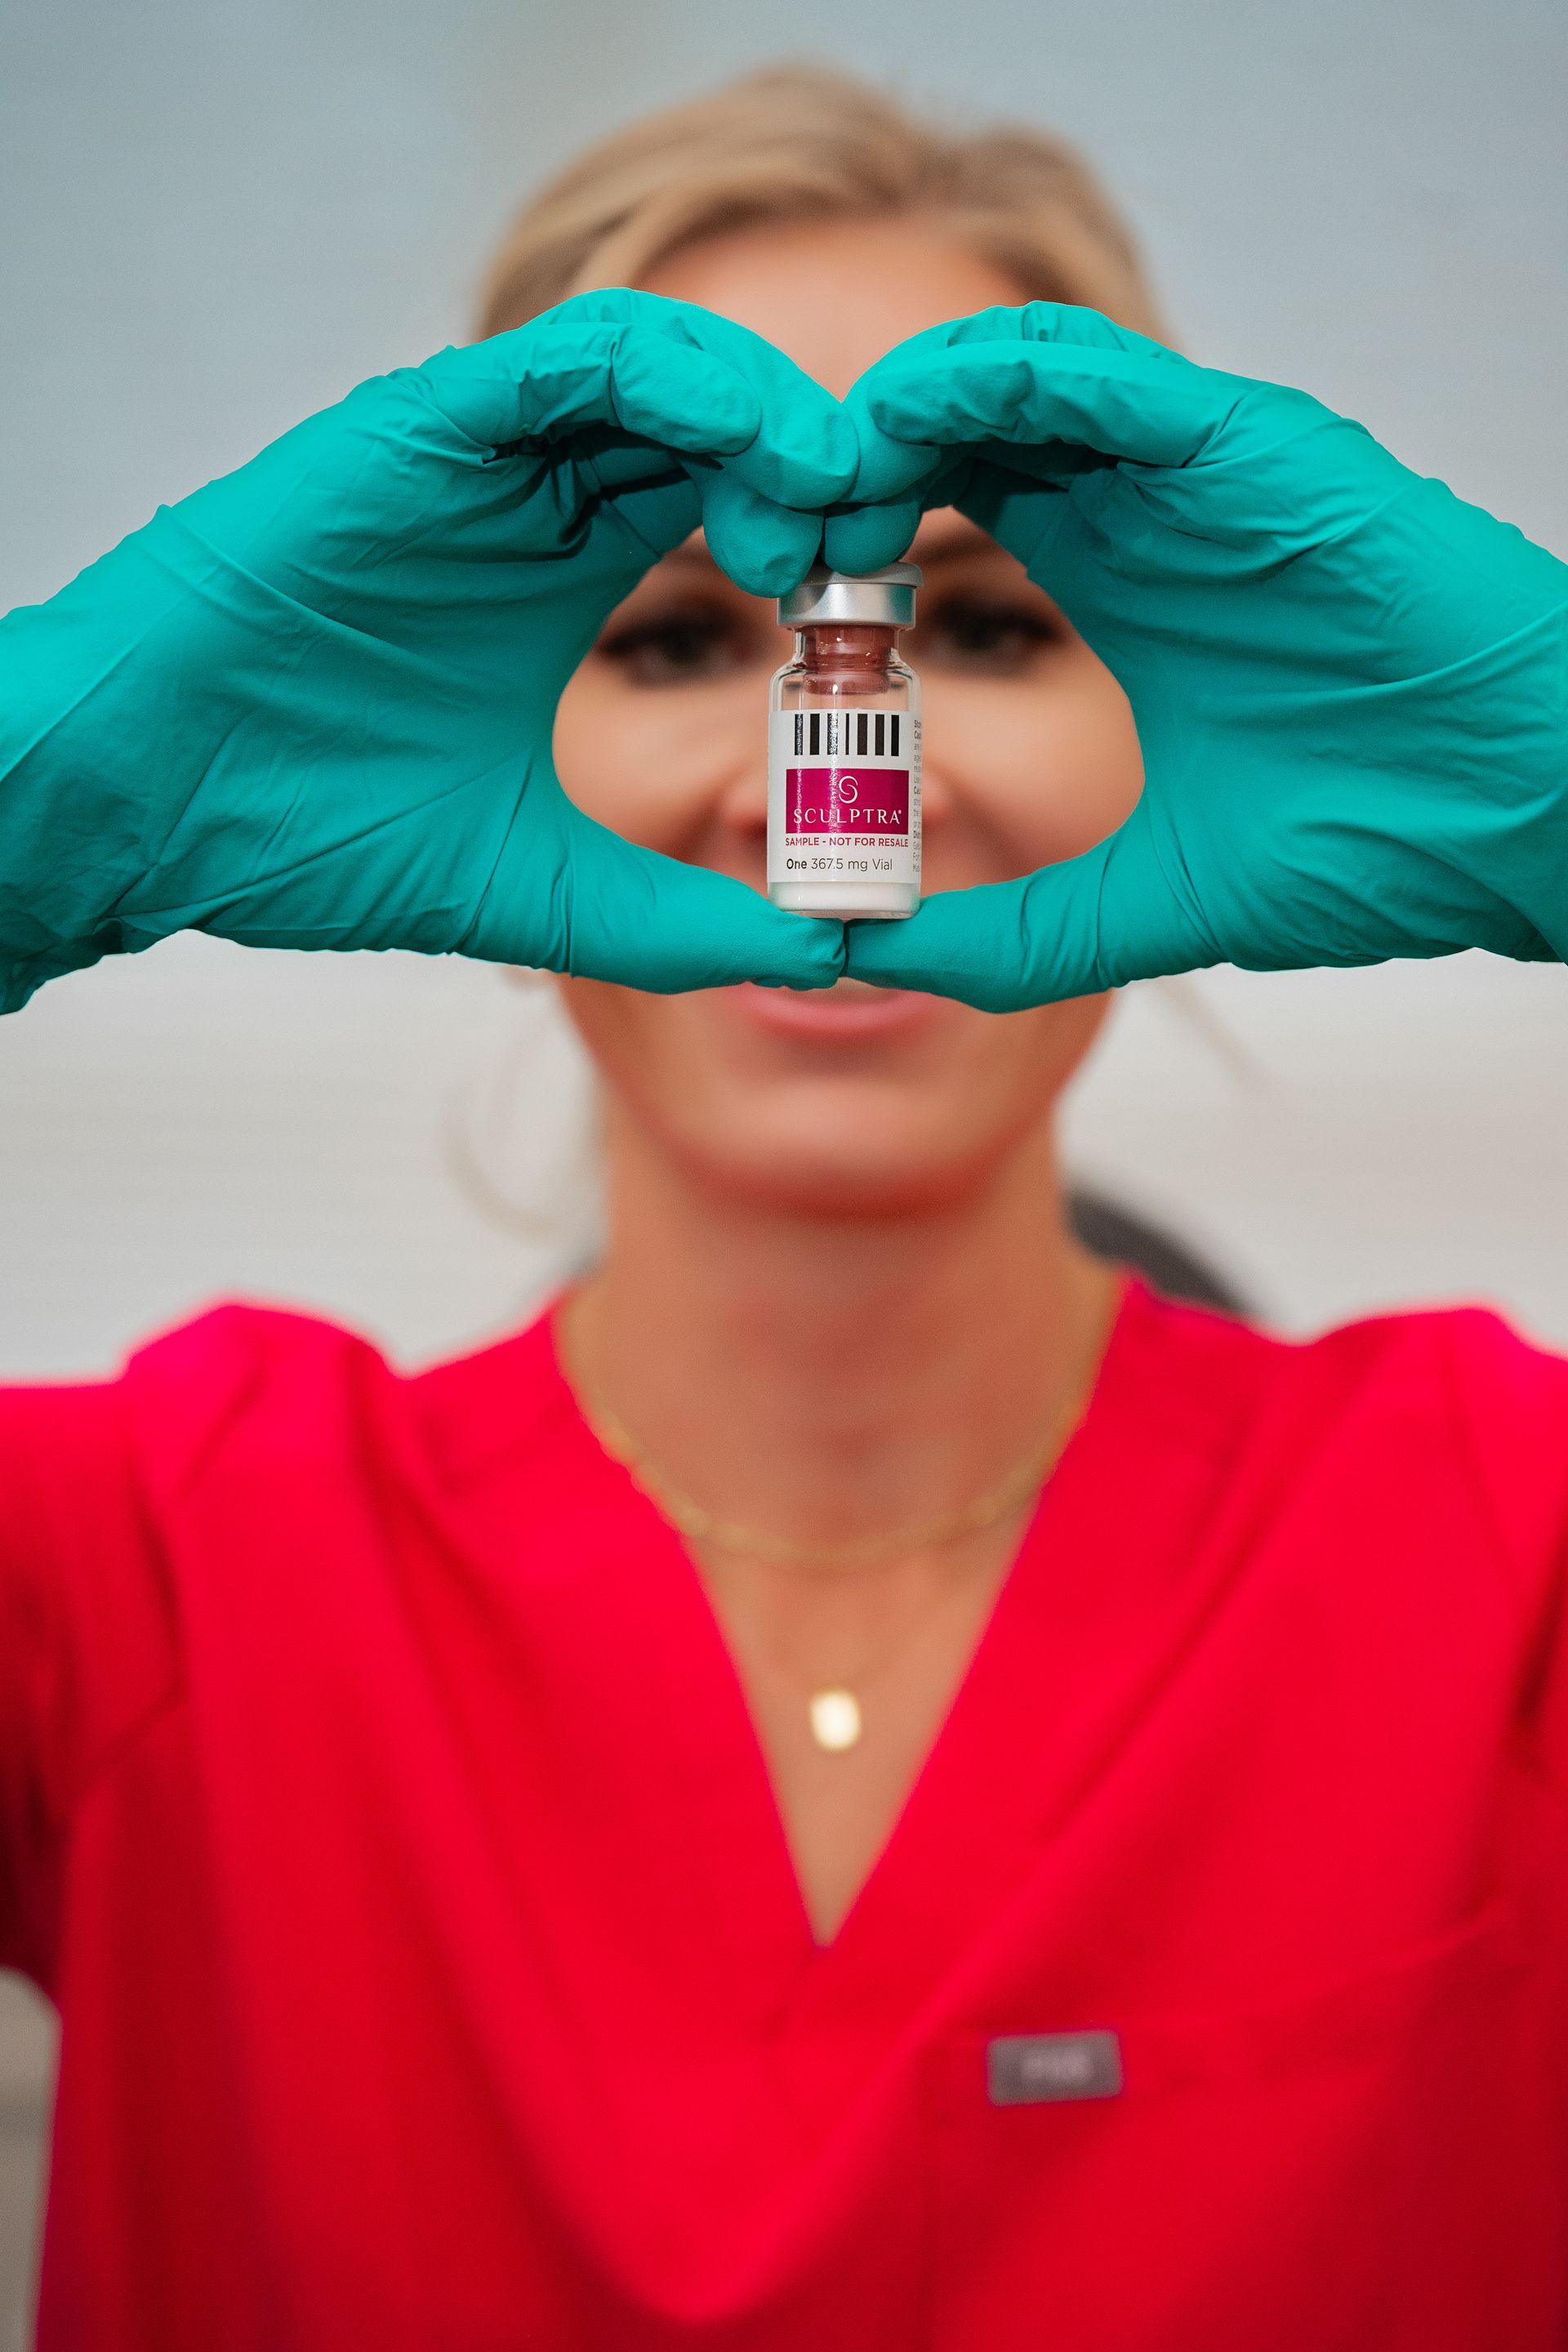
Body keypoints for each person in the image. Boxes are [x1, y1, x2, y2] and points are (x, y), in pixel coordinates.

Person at [2, 62, 1566, 2352]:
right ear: (464, 737)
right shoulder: (134, 1564)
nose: (836, 764)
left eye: (997, 628)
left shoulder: (1505, 1538)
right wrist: (44, 793)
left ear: (1176, 713)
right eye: (663, 638)